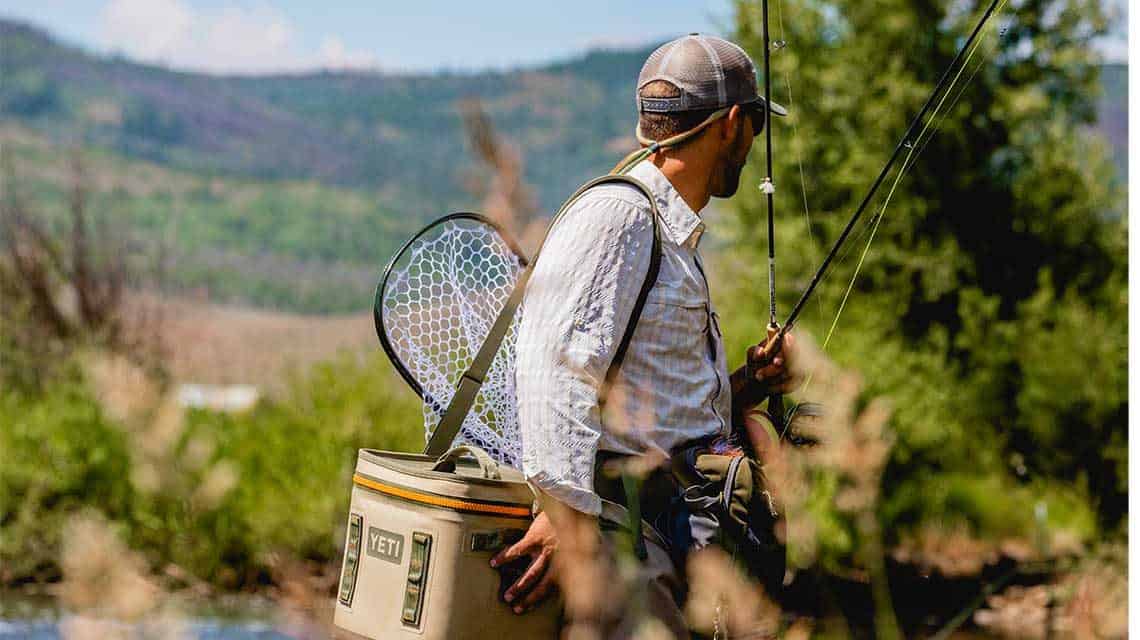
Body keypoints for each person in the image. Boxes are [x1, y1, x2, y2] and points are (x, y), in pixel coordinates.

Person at [493, 33, 798, 638]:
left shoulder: (667, 230)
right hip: (628, 536)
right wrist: (564, 512)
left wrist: (745, 386)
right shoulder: (623, 216)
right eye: (755, 126)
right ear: (733, 124)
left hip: (668, 529)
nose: (752, 144)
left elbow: (656, 406)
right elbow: (553, 363)